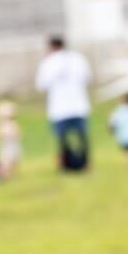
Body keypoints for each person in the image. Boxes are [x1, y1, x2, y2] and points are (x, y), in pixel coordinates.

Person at [35, 35, 92, 173]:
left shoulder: (48, 62)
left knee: (62, 140)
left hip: (59, 108)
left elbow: (41, 85)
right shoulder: (78, 58)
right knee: (82, 137)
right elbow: (88, 78)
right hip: (79, 105)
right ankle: (86, 165)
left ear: (52, 46)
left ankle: (64, 166)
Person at [0, 100, 23, 179]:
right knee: (5, 162)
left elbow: (18, 135)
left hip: (13, 146)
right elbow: (0, 135)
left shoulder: (14, 125)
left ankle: (12, 174)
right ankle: (4, 175)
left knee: (13, 161)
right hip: (6, 147)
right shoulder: (1, 126)